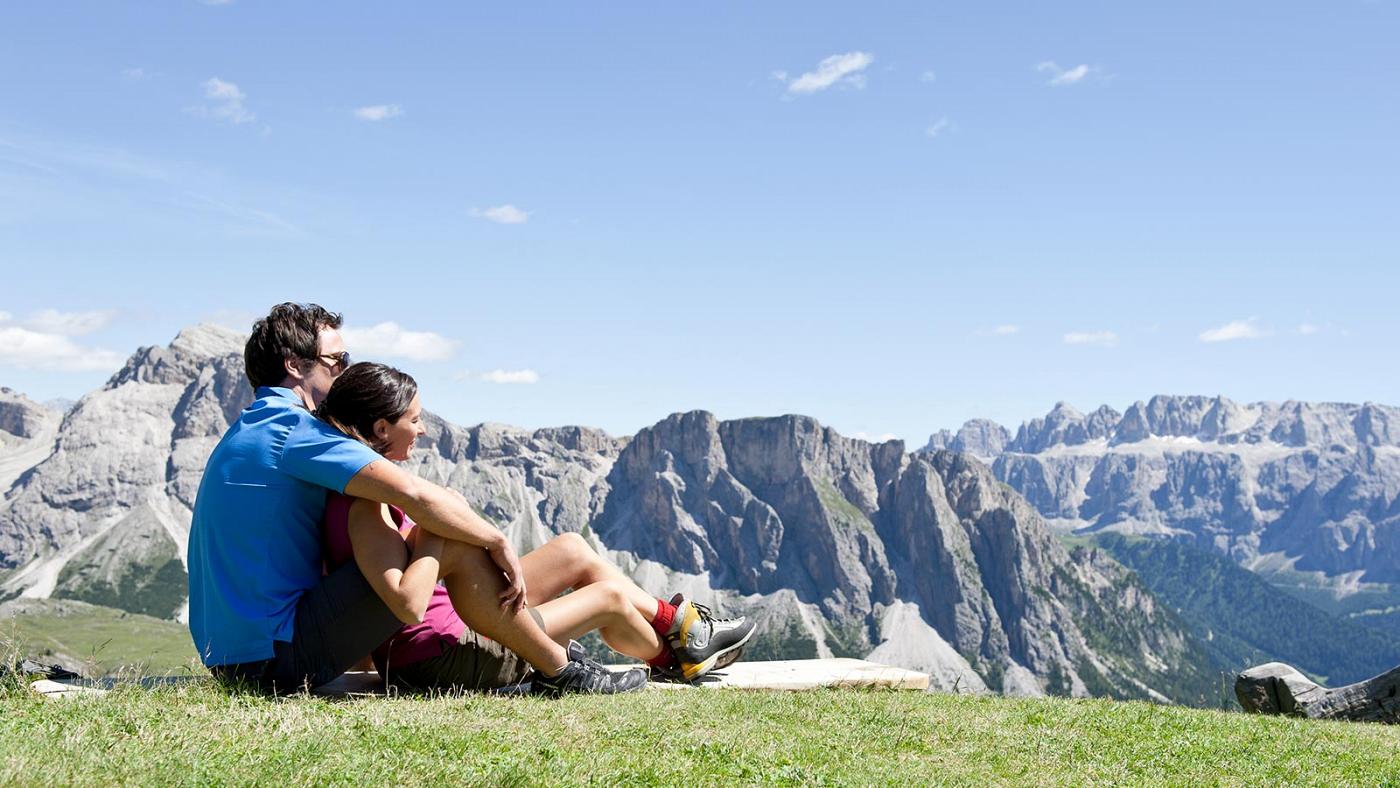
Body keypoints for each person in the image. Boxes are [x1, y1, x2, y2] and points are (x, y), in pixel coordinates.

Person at [188, 303, 632, 695]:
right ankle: (560, 670)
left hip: (233, 657)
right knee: (449, 533)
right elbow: (414, 493)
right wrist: (495, 540)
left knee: (433, 534)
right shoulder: (296, 431)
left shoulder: (249, 428)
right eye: (338, 360)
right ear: (295, 365)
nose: (345, 370)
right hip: (274, 660)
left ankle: (563, 654)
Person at [315, 361, 757, 690]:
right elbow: (408, 605)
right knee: (610, 597)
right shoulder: (363, 507)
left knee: (571, 548)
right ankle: (675, 655)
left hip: (457, 627)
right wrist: (434, 529)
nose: (424, 430)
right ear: (380, 427)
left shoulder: (369, 490)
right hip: (443, 658)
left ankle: (682, 632)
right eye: (414, 420)